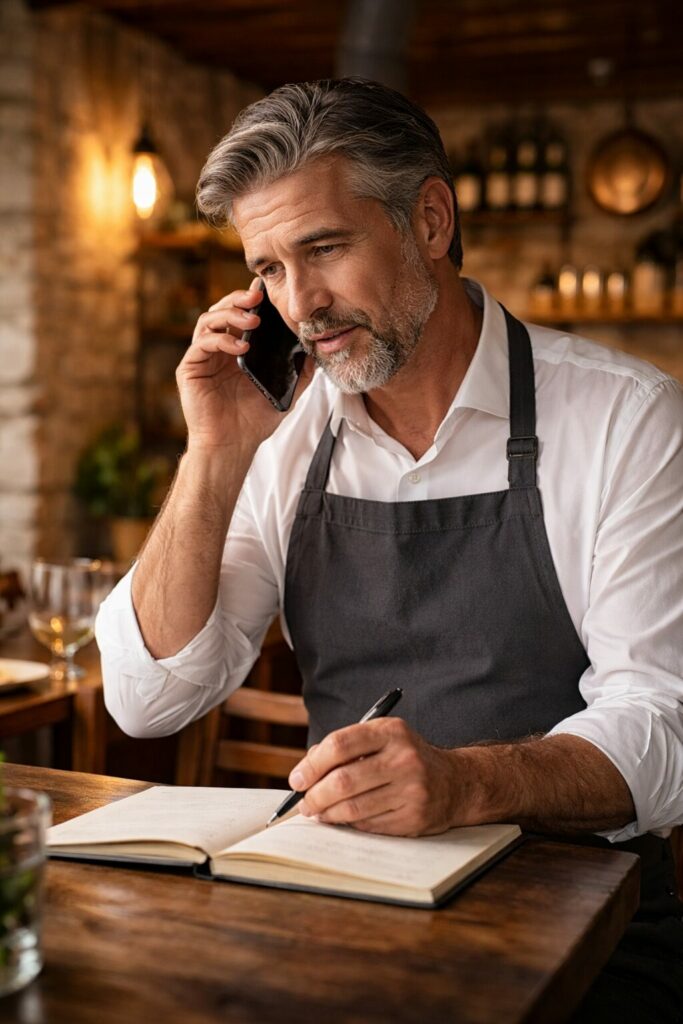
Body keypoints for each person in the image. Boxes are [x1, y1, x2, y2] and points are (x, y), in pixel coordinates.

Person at [97, 79, 683, 1020]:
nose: (302, 305)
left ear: (431, 219)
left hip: (588, 920)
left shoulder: (625, 419)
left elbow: (666, 722)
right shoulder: (276, 437)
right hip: (340, 904)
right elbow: (149, 698)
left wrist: (465, 783)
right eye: (270, 269)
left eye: (324, 248)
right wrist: (212, 453)